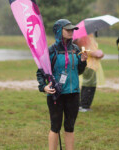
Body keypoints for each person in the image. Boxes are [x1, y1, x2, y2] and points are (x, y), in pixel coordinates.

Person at [36, 19, 88, 150]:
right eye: (68, 29)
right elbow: (40, 72)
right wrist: (44, 87)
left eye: (72, 29)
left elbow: (79, 71)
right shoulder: (50, 51)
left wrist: (82, 62)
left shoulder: (76, 49)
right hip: (56, 95)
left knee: (70, 127)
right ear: (59, 31)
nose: (71, 32)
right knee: (55, 127)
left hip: (73, 94)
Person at [74, 34, 104, 112]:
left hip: (93, 65)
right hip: (89, 65)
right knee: (89, 84)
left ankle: (83, 105)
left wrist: (100, 53)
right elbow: (85, 50)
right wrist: (95, 53)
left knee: (90, 84)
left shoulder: (90, 37)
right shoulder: (84, 37)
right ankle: (84, 105)